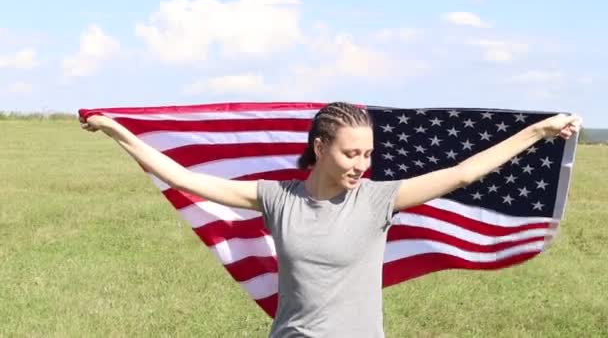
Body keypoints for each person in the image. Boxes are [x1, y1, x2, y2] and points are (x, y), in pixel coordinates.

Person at [80, 102, 581, 337]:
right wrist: (118, 133)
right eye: (351, 154)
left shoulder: (378, 199)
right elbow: (187, 179)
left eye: (367, 154)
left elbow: (463, 172)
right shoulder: (276, 197)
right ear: (320, 148)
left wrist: (537, 132)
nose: (361, 164)